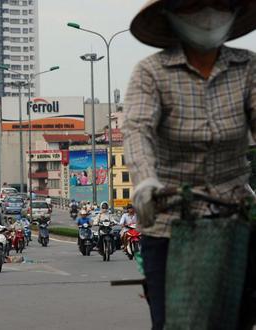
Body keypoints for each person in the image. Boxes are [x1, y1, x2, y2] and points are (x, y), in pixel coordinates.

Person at [123, 1, 256, 328]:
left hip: (236, 212)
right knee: (171, 320)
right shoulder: (151, 72)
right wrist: (144, 182)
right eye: (195, 6)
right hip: (170, 214)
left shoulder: (249, 68)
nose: (208, 14)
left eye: (219, 4)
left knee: (243, 315)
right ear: (172, 16)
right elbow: (138, 130)